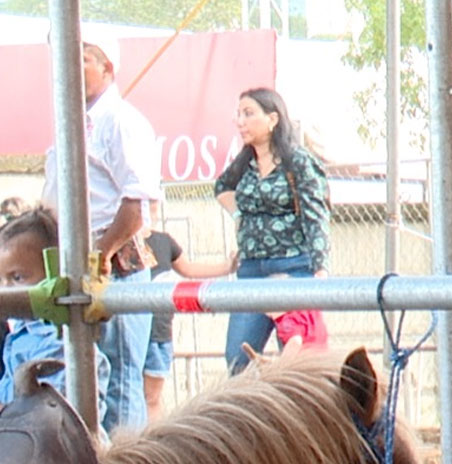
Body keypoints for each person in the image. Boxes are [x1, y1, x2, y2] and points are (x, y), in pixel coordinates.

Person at [40, 37, 161, 433]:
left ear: (107, 68)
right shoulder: (74, 125)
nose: (72, 68)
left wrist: (103, 251)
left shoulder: (119, 121)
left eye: (84, 59)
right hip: (79, 261)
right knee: (92, 379)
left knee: (121, 379)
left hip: (113, 265)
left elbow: (137, 202)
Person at [213, 87, 330, 374]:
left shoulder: (298, 161)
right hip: (251, 270)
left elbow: (317, 215)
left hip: (293, 269)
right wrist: (239, 215)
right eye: (238, 115)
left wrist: (320, 268)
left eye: (249, 114)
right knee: (237, 358)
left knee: (297, 359)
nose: (240, 121)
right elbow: (220, 188)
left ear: (273, 119)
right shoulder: (244, 164)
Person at [0, 209, 110, 414]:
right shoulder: (21, 335)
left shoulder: (59, 341)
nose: (5, 290)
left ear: (56, 274)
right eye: (0, 281)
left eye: (17, 278)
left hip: (58, 443)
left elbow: (51, 414)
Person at [143, 213, 235, 421]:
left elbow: (189, 269)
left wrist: (228, 266)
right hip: (131, 330)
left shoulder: (164, 241)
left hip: (159, 331)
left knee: (151, 397)